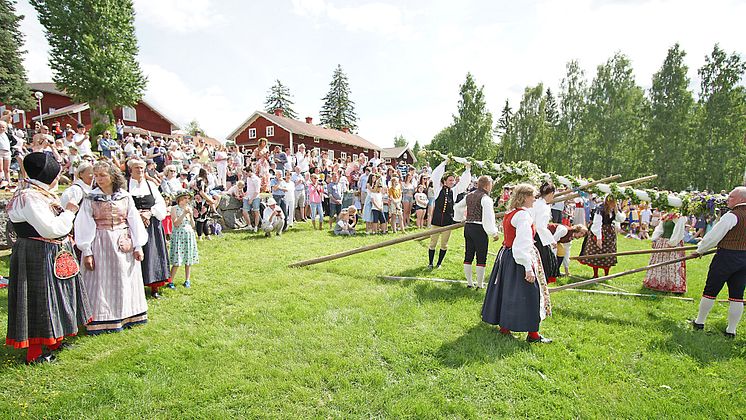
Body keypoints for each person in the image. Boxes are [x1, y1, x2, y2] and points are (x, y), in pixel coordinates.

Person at [5, 152, 93, 364]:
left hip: (49, 251)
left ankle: (54, 339)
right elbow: (51, 229)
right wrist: (70, 212)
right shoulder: (30, 198)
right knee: (39, 300)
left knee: (55, 296)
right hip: (38, 252)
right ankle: (35, 353)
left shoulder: (37, 193)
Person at [74, 161, 149, 335]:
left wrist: (138, 245)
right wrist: (87, 251)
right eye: (96, 175)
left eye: (102, 175)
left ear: (112, 176)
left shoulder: (124, 196)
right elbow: (84, 224)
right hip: (100, 240)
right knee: (101, 279)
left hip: (123, 240)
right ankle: (101, 317)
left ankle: (128, 314)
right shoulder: (90, 197)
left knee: (124, 277)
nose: (98, 179)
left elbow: (134, 220)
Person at [481, 183, 552, 344]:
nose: (534, 199)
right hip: (518, 257)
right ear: (525, 197)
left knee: (508, 291)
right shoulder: (523, 216)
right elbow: (522, 244)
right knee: (529, 294)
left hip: (507, 256)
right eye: (533, 196)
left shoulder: (511, 213)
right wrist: (528, 268)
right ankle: (533, 335)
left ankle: (505, 327)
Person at [692, 187, 746, 337]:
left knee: (710, 290)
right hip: (744, 260)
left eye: (732, 197)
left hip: (726, 257)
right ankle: (731, 331)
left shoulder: (732, 216)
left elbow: (714, 236)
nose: (728, 199)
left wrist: (700, 250)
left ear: (741, 199)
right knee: (737, 295)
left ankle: (699, 322)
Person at [127, 159, 171, 298]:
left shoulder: (151, 185)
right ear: (130, 170)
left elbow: (160, 204)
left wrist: (149, 213)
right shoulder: (125, 186)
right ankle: (134, 287)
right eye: (136, 168)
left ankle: (154, 287)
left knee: (152, 253)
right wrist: (137, 215)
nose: (139, 170)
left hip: (151, 224)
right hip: (131, 223)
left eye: (141, 168)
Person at [454, 175, 499, 289]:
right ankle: (479, 284)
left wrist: (460, 218)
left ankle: (469, 283)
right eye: (491, 185)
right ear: (487, 185)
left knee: (468, 254)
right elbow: (489, 217)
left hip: (468, 227)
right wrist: (493, 232)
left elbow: (458, 207)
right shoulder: (486, 198)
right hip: (479, 229)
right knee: (481, 256)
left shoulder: (469, 195)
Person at [427, 159, 471, 269]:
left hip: (447, 222)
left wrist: (467, 169)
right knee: (433, 243)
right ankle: (430, 263)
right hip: (436, 221)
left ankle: (439, 263)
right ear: (445, 181)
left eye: (453, 181)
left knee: (444, 244)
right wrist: (444, 164)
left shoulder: (454, 191)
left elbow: (464, 184)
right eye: (450, 180)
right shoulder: (438, 189)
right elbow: (436, 176)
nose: (452, 182)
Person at [577, 195, 626, 278]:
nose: (613, 204)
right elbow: (597, 224)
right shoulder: (600, 209)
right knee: (596, 252)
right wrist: (599, 238)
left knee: (608, 253)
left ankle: (606, 274)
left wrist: (617, 210)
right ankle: (595, 274)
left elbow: (620, 219)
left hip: (609, 233)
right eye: (611, 202)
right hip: (599, 231)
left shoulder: (614, 209)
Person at [643, 212, 688, 293]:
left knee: (671, 265)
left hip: (673, 243)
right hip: (662, 242)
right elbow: (660, 228)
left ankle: (672, 286)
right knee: (659, 263)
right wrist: (655, 239)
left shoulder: (680, 217)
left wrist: (672, 243)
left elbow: (679, 231)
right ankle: (657, 283)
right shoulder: (666, 216)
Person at [532, 182, 561, 283]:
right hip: (538, 236)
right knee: (544, 262)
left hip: (532, 233)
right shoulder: (543, 207)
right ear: (551, 194)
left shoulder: (535, 202)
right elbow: (541, 226)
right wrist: (551, 240)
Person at [170, 191, 198, 288]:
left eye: (188, 198)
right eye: (185, 198)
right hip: (179, 235)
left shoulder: (189, 209)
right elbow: (176, 223)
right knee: (177, 259)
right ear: (180, 199)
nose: (187, 200)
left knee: (188, 259)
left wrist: (190, 216)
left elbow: (193, 225)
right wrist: (183, 214)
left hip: (189, 235)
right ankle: (171, 280)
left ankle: (187, 280)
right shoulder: (174, 208)